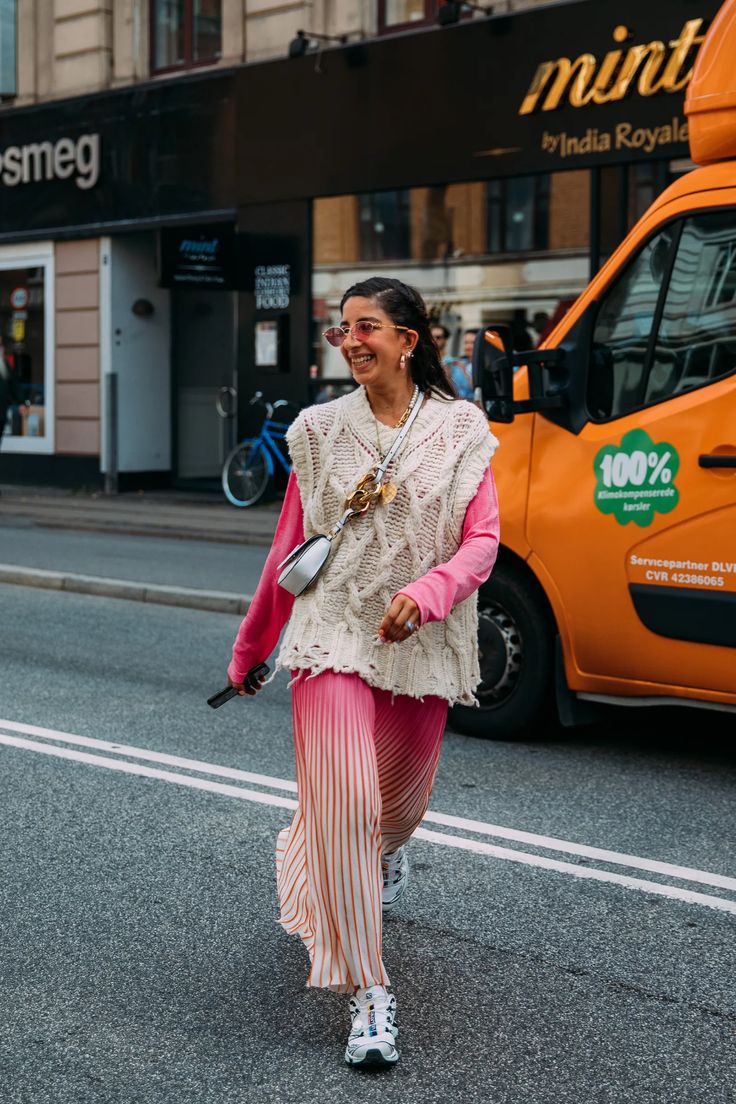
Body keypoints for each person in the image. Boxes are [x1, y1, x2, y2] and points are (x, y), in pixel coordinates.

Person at [225, 276, 499, 1068]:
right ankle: (366, 993)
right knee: (344, 805)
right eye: (342, 328)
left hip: (420, 642)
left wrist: (427, 591)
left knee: (397, 809)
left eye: (367, 326)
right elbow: (289, 554)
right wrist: (252, 651)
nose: (350, 340)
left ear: (407, 340)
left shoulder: (462, 429)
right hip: (332, 634)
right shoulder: (315, 430)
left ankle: (377, 852)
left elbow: (482, 542)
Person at [447, 328, 477, 399]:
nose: (468, 346)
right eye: (466, 343)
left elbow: (477, 389)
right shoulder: (460, 362)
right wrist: (448, 375)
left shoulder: (484, 365)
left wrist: (464, 371)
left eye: (472, 343)